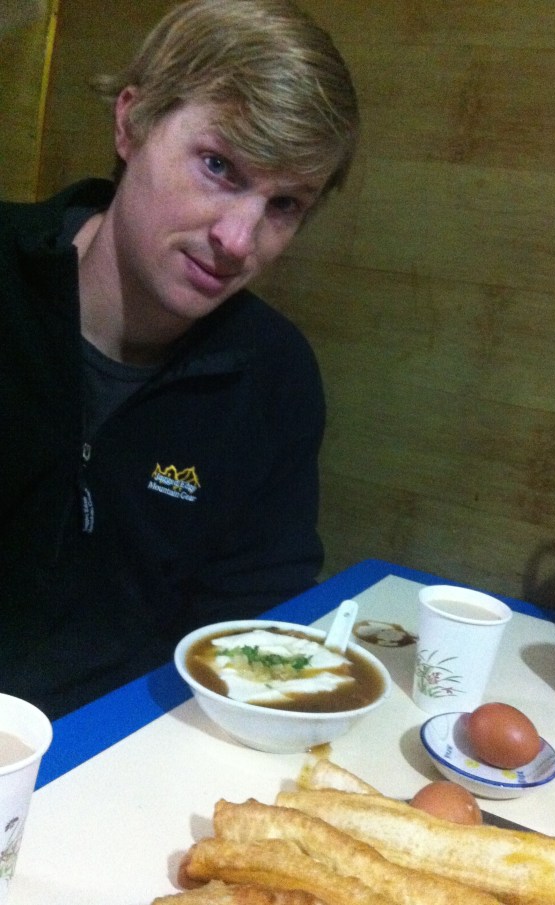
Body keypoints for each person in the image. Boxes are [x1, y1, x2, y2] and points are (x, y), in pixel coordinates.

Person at [0, 0, 359, 719]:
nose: (238, 237)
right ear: (130, 122)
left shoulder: (274, 378)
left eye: (284, 204)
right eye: (219, 165)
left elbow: (248, 633)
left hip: (121, 759)